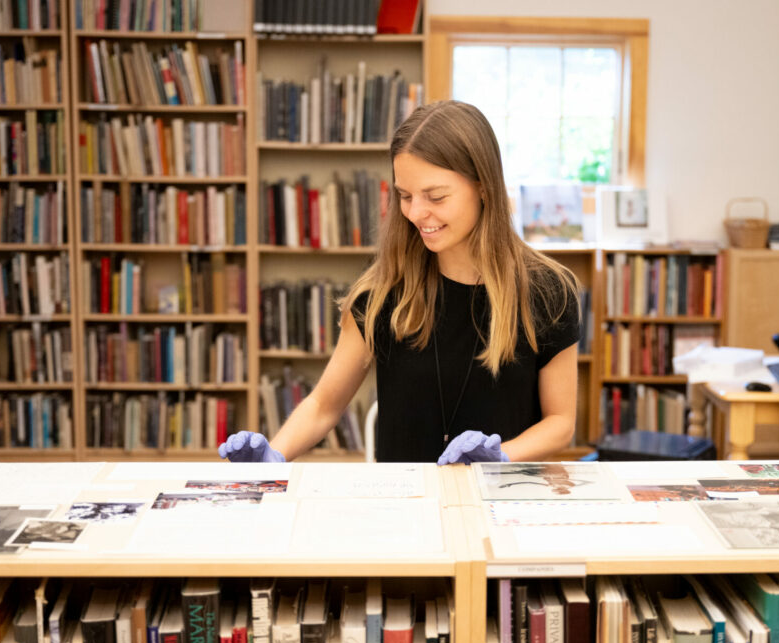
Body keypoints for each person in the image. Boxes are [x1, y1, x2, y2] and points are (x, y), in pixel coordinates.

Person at [219, 100, 580, 465]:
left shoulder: (549, 291)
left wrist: (500, 455)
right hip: (407, 507)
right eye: (405, 196)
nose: (417, 213)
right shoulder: (382, 292)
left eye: (435, 196)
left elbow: (560, 422)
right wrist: (274, 455)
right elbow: (324, 405)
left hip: (504, 504)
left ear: (483, 186)